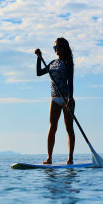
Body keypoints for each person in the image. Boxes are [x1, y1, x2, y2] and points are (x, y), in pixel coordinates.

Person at [35, 37, 75, 165]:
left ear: (63, 48)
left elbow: (70, 81)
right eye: (54, 47)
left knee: (69, 128)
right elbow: (39, 73)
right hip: (54, 98)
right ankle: (49, 157)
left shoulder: (68, 62)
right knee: (52, 127)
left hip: (66, 98)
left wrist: (71, 98)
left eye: (57, 47)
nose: (55, 49)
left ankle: (70, 158)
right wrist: (39, 57)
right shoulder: (53, 62)